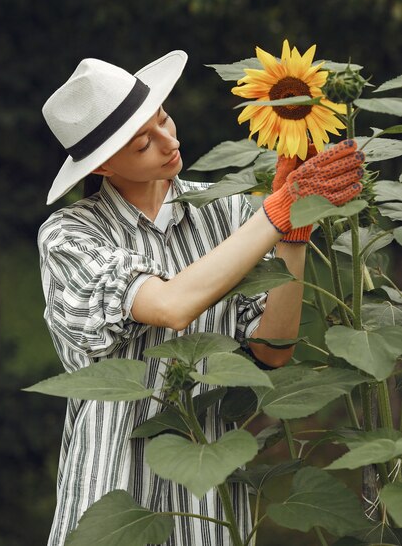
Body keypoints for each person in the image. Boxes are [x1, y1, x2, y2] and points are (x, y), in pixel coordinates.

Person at [38, 50, 365, 546]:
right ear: (103, 165)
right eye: (143, 142)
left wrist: (292, 238)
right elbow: (170, 306)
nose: (168, 142)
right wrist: (276, 214)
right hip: (116, 483)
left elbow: (272, 350)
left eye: (164, 119)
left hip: (210, 495)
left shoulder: (228, 210)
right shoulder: (68, 236)